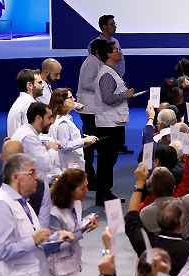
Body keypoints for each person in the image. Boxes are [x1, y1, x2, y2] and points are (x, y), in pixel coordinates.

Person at [0, 154, 74, 276]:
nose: (36, 177)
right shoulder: (1, 205)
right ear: (16, 177)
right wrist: (34, 240)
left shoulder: (23, 203)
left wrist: (56, 238)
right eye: (32, 172)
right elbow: (2, 251)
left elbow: (29, 241)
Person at [46, 168, 99, 276]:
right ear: (70, 190)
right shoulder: (54, 213)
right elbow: (53, 246)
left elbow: (73, 226)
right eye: (83, 188)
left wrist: (86, 224)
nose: (87, 191)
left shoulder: (76, 202)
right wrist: (80, 233)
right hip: (54, 271)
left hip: (69, 263)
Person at [93, 40, 134, 205]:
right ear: (109, 54)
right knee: (106, 161)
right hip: (108, 124)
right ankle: (103, 195)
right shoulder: (107, 74)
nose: (119, 52)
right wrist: (126, 95)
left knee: (109, 160)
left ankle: (105, 193)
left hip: (113, 122)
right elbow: (108, 98)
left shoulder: (111, 72)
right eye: (116, 49)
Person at [78, 38, 108, 187]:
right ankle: (89, 178)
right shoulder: (91, 63)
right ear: (98, 50)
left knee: (92, 145)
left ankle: (90, 176)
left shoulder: (96, 62)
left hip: (92, 109)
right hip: (88, 110)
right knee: (89, 146)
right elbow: (85, 84)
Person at [49, 88, 98, 170]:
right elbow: (64, 146)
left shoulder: (62, 119)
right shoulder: (63, 123)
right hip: (69, 167)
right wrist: (84, 141)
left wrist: (84, 144)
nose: (74, 100)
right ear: (63, 102)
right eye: (71, 97)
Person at [11, 102, 62, 181]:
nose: (52, 121)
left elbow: (35, 167)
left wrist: (50, 178)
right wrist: (52, 149)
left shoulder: (26, 132)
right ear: (38, 118)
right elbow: (46, 166)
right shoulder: (29, 137)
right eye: (49, 117)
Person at [6, 68, 43, 137]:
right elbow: (30, 136)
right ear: (29, 85)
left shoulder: (20, 102)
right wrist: (51, 141)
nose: (43, 86)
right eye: (40, 83)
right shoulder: (28, 105)